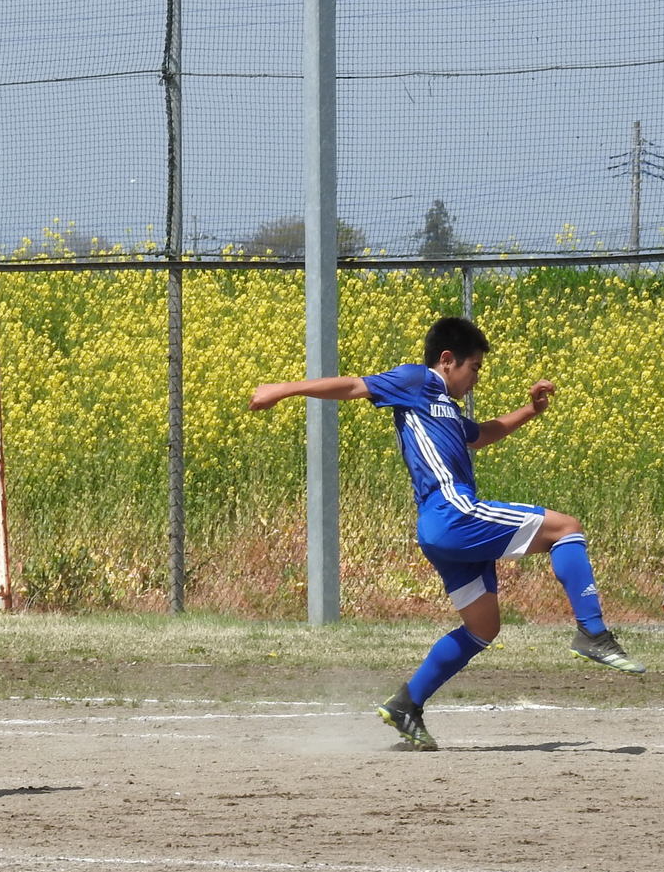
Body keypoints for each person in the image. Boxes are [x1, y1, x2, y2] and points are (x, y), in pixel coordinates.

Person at [247, 315, 641, 754]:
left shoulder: (447, 411)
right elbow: (353, 386)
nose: (475, 379)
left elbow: (485, 434)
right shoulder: (416, 381)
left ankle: (407, 704)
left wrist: (531, 409)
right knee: (567, 528)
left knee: (483, 627)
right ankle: (593, 633)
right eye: (474, 368)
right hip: (452, 512)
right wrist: (282, 390)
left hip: (444, 530)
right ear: (448, 360)